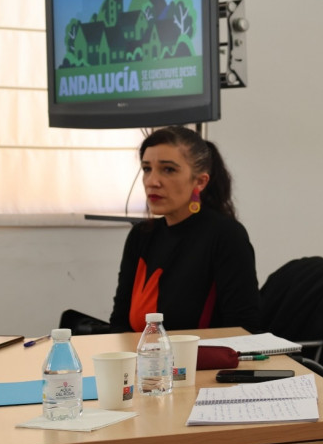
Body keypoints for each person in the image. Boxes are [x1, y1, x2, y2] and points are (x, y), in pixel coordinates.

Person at [108, 126, 260, 333]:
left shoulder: (226, 235)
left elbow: (244, 329)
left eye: (168, 170)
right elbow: (119, 323)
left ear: (200, 181)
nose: (152, 182)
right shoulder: (141, 235)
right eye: (147, 169)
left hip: (204, 354)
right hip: (142, 353)